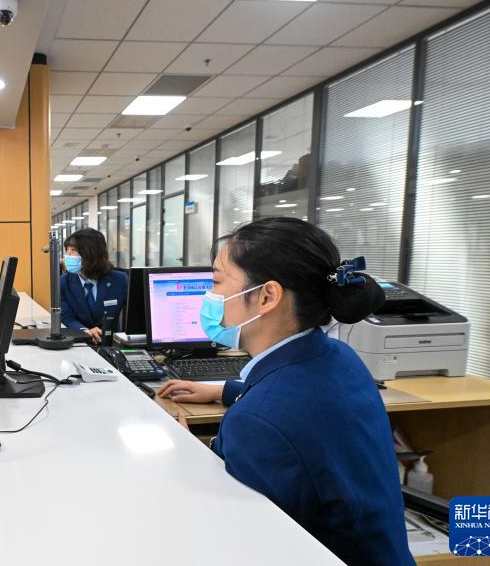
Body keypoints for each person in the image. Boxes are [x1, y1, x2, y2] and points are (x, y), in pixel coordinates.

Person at [156, 217, 411, 566]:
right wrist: (223, 391)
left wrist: (195, 457)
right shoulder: (338, 356)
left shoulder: (257, 423)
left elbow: (238, 542)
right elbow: (298, 404)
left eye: (216, 282)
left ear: (267, 296)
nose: (209, 296)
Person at [59, 228, 128, 343]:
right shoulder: (64, 282)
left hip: (112, 343)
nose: (68, 255)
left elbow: (136, 315)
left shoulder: (119, 280)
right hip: (80, 343)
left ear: (91, 253)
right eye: (66, 250)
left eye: (73, 250)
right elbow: (66, 316)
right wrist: (84, 331)